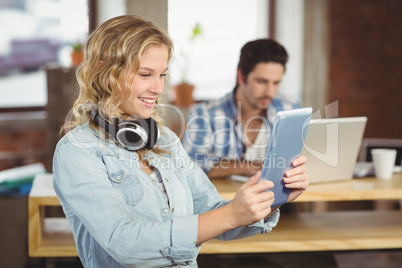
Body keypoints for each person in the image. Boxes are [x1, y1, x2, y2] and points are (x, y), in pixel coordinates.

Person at [52, 15, 308, 268]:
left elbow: (211, 210)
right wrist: (230, 215)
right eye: (145, 74)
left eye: (162, 75)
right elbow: (125, 243)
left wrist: (273, 194)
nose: (158, 88)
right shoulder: (76, 150)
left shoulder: (165, 140)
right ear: (103, 71)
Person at [183, 39, 301, 178]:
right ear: (241, 76)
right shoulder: (206, 113)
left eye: (276, 83)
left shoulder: (289, 108)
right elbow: (189, 166)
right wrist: (251, 167)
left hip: (278, 199)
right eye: (261, 81)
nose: (269, 92)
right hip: (228, 199)